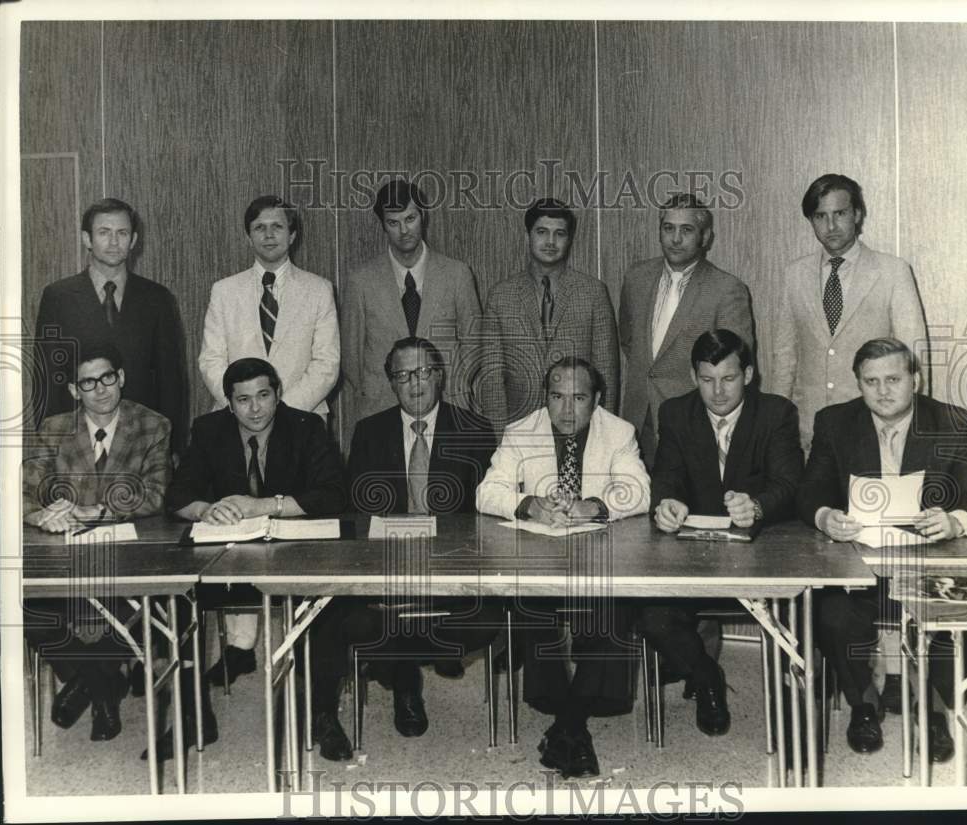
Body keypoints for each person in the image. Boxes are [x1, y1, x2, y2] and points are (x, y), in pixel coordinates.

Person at [310, 337, 500, 762]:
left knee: (482, 621)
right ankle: (325, 713)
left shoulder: (474, 430)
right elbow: (358, 515)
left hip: (451, 574)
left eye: (423, 372)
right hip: (387, 569)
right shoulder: (369, 432)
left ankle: (402, 674)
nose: (414, 384)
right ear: (391, 383)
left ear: (440, 376)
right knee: (336, 614)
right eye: (402, 375)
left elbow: (487, 516)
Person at [797, 338, 967, 758]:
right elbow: (810, 491)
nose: (883, 391)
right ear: (858, 384)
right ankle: (864, 703)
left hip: (929, 564)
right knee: (832, 615)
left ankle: (932, 709)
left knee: (958, 616)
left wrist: (955, 521)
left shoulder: (954, 422)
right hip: (861, 563)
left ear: (915, 379)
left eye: (893, 379)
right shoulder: (835, 422)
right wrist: (826, 516)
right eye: (871, 381)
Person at [166, 358, 348, 758]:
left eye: (263, 395)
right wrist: (205, 509)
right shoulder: (208, 430)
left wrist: (264, 505)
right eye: (243, 399)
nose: (254, 408)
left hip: (297, 553)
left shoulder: (305, 427)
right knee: (178, 599)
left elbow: (334, 494)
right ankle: (194, 716)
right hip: (231, 559)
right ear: (229, 404)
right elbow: (177, 495)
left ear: (278, 394)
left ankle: (321, 714)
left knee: (328, 605)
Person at [477, 358, 650, 779]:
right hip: (539, 563)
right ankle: (569, 726)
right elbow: (487, 492)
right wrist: (528, 504)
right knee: (530, 602)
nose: (567, 410)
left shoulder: (619, 431)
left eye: (578, 398)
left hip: (597, 560)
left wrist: (594, 505)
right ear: (545, 398)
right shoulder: (520, 432)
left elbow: (641, 491)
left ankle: (567, 727)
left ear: (597, 400)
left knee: (615, 606)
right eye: (556, 397)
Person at [198, 194, 341, 683]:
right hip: (240, 424)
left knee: (292, 526)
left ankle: (303, 641)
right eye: (259, 227)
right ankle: (240, 645)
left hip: (300, 426)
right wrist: (247, 408)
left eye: (278, 227)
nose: (269, 235)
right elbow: (211, 360)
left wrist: (280, 412)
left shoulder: (319, 289)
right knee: (240, 526)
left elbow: (328, 362)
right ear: (248, 235)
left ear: (293, 234)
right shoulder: (225, 290)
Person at [642, 329, 804, 736]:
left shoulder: (776, 413)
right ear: (694, 376)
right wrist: (665, 505)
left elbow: (790, 484)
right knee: (649, 613)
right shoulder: (676, 413)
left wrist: (758, 505)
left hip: (759, 553)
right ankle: (707, 675)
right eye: (706, 379)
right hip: (691, 555)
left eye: (728, 379)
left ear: (748, 374)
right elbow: (665, 478)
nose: (717, 392)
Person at [23, 342, 171, 742]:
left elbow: (158, 494)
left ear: (120, 378)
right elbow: (23, 494)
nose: (101, 389)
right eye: (88, 383)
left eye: (108, 378)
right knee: (30, 610)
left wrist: (100, 511)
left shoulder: (153, 425)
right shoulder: (53, 429)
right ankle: (102, 684)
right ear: (74, 391)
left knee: (134, 609)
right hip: (66, 559)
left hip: (130, 557)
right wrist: (42, 515)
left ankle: (93, 685)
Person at [771, 174, 928, 451]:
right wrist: (775, 428)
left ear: (857, 214)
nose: (831, 225)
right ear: (811, 221)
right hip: (809, 434)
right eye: (820, 216)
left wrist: (910, 433)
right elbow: (785, 357)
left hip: (875, 431)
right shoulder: (794, 274)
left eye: (840, 213)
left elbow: (914, 357)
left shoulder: (892, 272)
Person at [32, 198, 186, 453]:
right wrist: (50, 448)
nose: (114, 242)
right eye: (104, 232)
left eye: (122, 233)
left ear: (134, 240)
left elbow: (171, 381)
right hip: (77, 445)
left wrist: (173, 447)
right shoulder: (58, 297)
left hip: (142, 442)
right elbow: (47, 379)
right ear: (86, 239)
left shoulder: (157, 298)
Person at [340, 179, 482, 447]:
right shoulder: (361, 281)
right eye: (394, 222)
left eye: (410, 218)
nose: (404, 230)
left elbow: (473, 345)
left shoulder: (457, 274)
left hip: (448, 403)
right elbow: (352, 358)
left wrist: (448, 387)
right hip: (381, 407)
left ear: (423, 217)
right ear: (382, 224)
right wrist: (384, 389)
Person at [619, 193, 754, 464]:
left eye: (687, 230)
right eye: (668, 228)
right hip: (637, 420)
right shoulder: (637, 278)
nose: (676, 239)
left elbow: (733, 367)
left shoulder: (726, 289)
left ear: (705, 237)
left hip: (694, 424)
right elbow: (629, 340)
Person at [479, 198, 619, 431]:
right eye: (542, 232)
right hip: (520, 427)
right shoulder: (501, 296)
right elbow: (492, 380)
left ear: (569, 239)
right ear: (528, 236)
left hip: (578, 426)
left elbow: (606, 375)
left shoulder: (593, 292)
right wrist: (501, 439)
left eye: (560, 234)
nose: (551, 242)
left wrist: (601, 435)